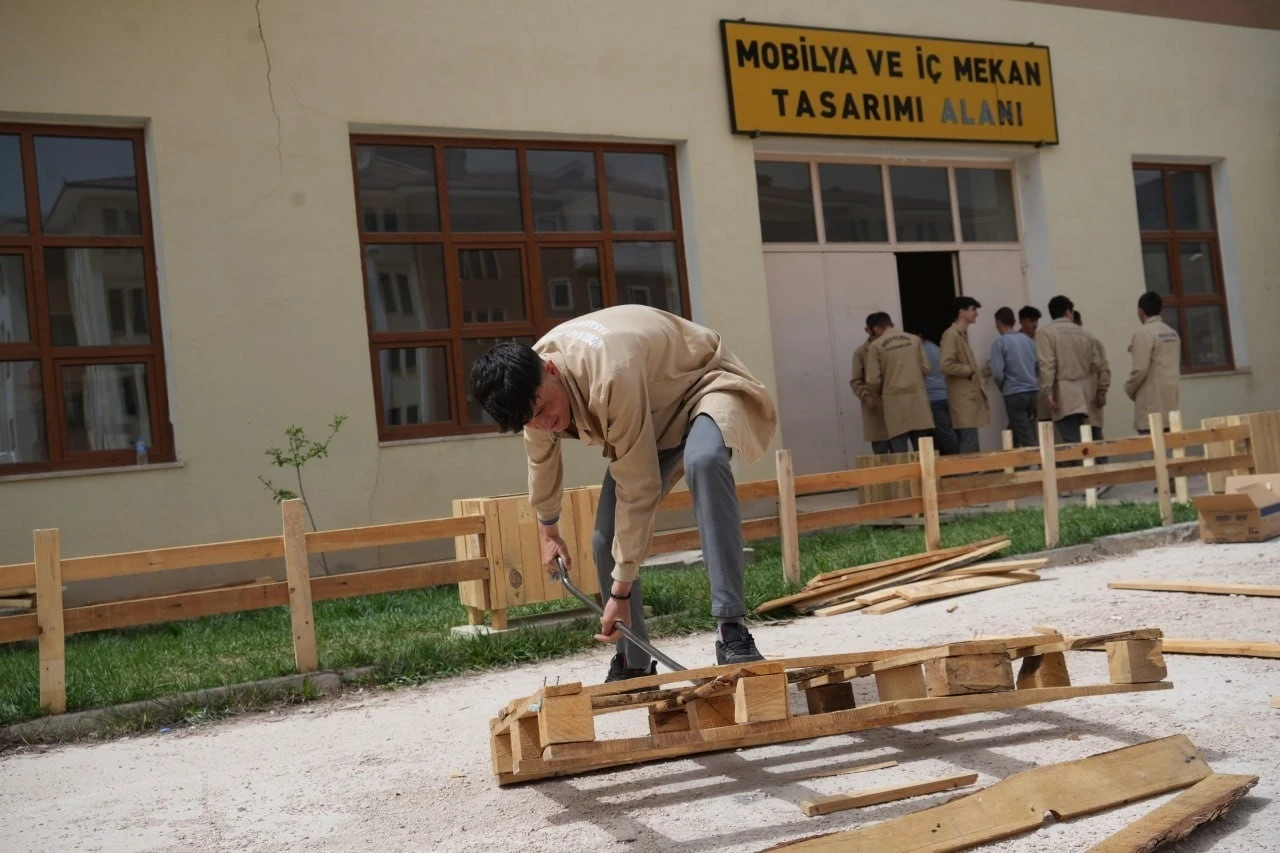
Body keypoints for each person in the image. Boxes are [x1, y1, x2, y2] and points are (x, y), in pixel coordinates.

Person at [470, 305, 777, 682]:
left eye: (545, 410)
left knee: (705, 461)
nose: (544, 423)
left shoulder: (610, 374)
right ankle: (633, 660)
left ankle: (732, 632)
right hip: (650, 416)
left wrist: (620, 591)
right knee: (605, 540)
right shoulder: (527, 388)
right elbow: (541, 460)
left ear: (551, 369)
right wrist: (548, 530)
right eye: (530, 421)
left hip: (703, 386)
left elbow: (639, 486)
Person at [1036, 295, 1102, 446]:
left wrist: (1047, 392)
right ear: (1068, 312)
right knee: (1085, 439)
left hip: (1063, 393)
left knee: (1071, 441)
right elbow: (1096, 363)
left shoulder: (1046, 333)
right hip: (1085, 392)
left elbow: (1047, 364)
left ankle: (1081, 468)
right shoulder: (1085, 333)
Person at [865, 314, 934, 453]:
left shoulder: (876, 346)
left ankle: (905, 475)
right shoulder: (914, 340)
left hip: (893, 402)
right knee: (922, 449)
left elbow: (873, 380)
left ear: (876, 329)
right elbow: (926, 368)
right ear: (891, 324)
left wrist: (876, 395)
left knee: (900, 450)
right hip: (917, 400)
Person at [1125, 291, 1181, 435]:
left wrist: (1129, 389)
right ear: (1161, 310)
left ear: (1140, 311)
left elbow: (1140, 369)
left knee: (1155, 446)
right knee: (1170, 443)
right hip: (1170, 399)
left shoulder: (1144, 333)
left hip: (1150, 399)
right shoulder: (1172, 333)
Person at [940, 296, 988, 453]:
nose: (976, 313)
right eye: (973, 309)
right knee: (969, 440)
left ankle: (972, 474)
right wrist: (969, 370)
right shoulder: (951, 335)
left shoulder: (961, 335)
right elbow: (946, 365)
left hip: (968, 396)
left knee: (971, 439)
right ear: (962, 312)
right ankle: (967, 475)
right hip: (962, 398)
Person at [990, 306, 1040, 448]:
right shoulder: (1028, 341)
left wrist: (1002, 387)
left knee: (1023, 429)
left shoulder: (1000, 343)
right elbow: (1038, 366)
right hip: (1032, 391)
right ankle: (1010, 456)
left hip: (1014, 392)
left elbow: (998, 373)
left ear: (999, 322)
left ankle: (1034, 461)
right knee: (1023, 426)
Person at [851, 314, 891, 454]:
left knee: (901, 454)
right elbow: (856, 381)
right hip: (876, 408)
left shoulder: (892, 348)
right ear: (867, 330)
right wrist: (866, 396)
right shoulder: (861, 353)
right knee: (881, 454)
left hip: (896, 407)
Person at [921, 324, 960, 455]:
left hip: (933, 397)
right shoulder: (939, 349)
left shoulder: (922, 351)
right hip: (946, 394)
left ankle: (957, 460)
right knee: (947, 431)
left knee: (943, 433)